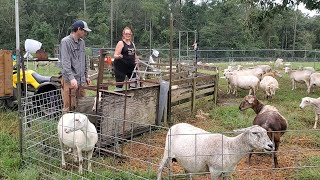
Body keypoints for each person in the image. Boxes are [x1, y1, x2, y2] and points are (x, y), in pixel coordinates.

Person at [59, 20, 91, 112]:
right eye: (84, 31)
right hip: (70, 80)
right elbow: (65, 62)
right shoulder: (65, 42)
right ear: (78, 29)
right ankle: (66, 126)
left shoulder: (82, 43)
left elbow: (84, 60)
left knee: (83, 104)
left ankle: (80, 125)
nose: (85, 33)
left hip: (81, 80)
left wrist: (86, 75)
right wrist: (71, 78)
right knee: (69, 106)